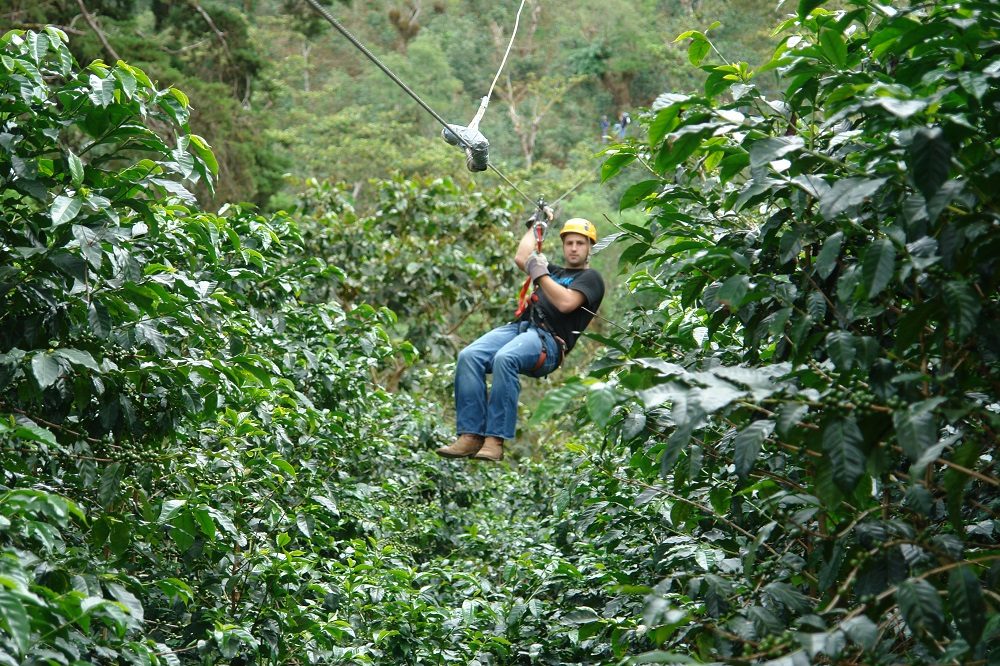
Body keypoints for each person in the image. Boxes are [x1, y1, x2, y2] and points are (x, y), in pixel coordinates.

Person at [436, 215, 605, 462]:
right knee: (469, 356)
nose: (574, 248)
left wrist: (540, 274)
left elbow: (567, 303)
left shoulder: (591, 279)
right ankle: (470, 436)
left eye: (580, 243)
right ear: (563, 246)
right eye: (569, 243)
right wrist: (536, 226)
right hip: (521, 328)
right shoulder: (554, 271)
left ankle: (494, 441)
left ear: (590, 247)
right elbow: (522, 256)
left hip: (549, 341)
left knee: (506, 358)